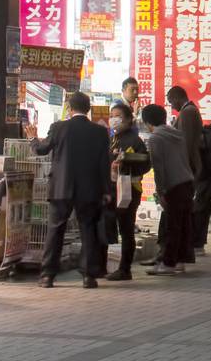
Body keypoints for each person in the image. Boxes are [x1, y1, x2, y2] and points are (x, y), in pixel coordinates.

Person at [32, 90, 110, 288]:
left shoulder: (59, 128)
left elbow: (41, 150)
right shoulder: (100, 132)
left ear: (69, 108)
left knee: (55, 229)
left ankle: (47, 275)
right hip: (90, 189)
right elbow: (104, 164)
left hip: (61, 187)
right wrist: (106, 190)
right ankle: (88, 276)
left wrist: (33, 138)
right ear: (88, 109)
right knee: (88, 230)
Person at [139, 104, 195, 276]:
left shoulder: (156, 138)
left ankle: (168, 264)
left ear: (147, 122)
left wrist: (161, 191)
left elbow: (159, 167)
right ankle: (179, 261)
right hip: (187, 182)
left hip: (173, 185)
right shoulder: (177, 135)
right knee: (183, 224)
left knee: (172, 226)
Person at [105, 101, 151, 281]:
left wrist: (126, 164)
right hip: (111, 189)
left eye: (118, 116)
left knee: (126, 229)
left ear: (128, 119)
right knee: (109, 226)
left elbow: (146, 163)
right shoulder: (113, 138)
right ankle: (104, 264)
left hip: (128, 191)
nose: (113, 120)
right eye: (111, 116)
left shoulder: (134, 140)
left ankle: (125, 269)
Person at [166, 87, 210, 257]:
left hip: (188, 167)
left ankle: (192, 244)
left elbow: (186, 143)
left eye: (171, 102)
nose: (172, 106)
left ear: (177, 98)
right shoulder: (189, 111)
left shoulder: (188, 113)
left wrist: (184, 167)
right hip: (189, 166)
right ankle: (191, 244)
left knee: (187, 208)